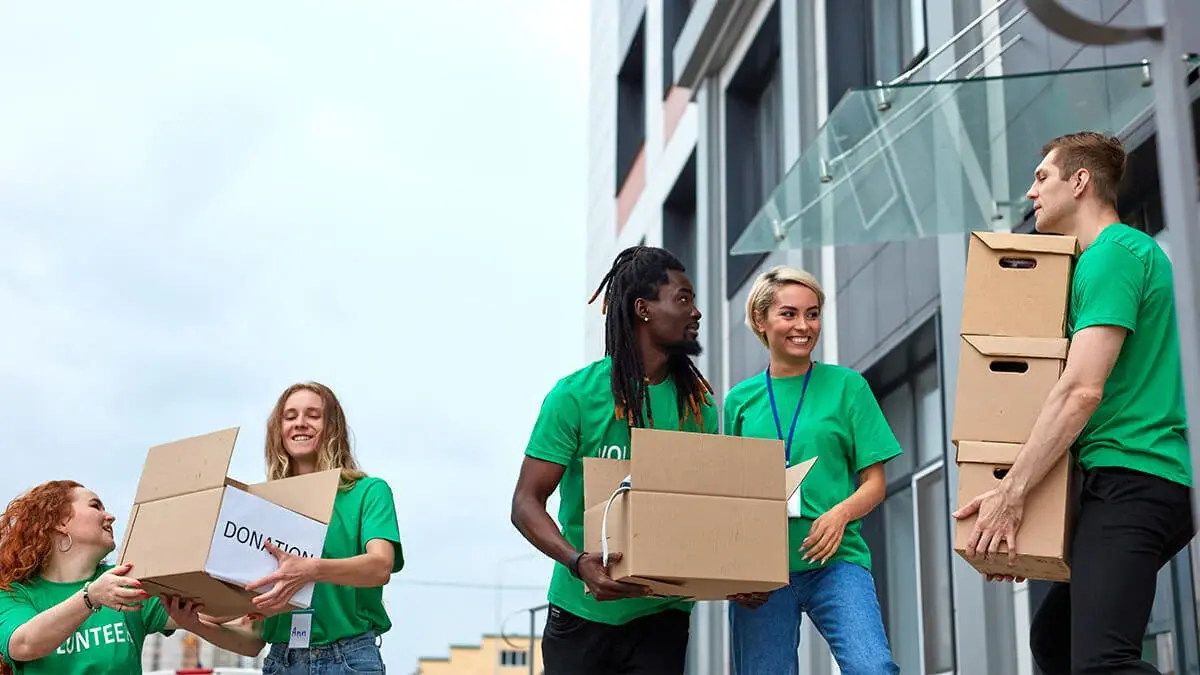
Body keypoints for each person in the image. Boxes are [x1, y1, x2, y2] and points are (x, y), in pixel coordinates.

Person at [954, 131, 1195, 673]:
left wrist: (1012, 493)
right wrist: (1029, 527)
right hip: (1116, 475)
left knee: (1102, 662)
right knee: (1055, 644)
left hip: (1139, 473)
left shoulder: (1115, 255)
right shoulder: (1093, 264)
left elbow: (1081, 390)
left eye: (1042, 178)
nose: (1031, 192)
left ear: (1080, 181)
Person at [510, 245, 718, 675]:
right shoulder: (575, 397)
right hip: (581, 613)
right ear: (643, 309)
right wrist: (576, 561)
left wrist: (738, 576)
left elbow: (708, 510)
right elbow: (526, 503)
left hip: (662, 615)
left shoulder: (698, 408)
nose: (696, 312)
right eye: (683, 299)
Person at [724, 265, 901, 675]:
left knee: (873, 668)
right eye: (789, 314)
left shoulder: (848, 386)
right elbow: (729, 496)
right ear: (760, 320)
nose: (803, 326)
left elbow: (874, 484)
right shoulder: (739, 402)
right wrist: (731, 572)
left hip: (836, 562)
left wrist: (840, 514)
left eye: (813, 313)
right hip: (762, 573)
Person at [214, 382, 404, 674]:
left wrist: (310, 570)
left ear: (333, 426)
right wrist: (192, 623)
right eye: (290, 416)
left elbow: (380, 566)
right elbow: (253, 639)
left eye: (312, 415)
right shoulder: (261, 507)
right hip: (282, 660)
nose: (300, 423)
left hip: (348, 660)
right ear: (279, 429)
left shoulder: (368, 492)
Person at [0, 480, 262, 674]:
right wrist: (90, 597)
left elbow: (209, 610)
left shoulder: (125, 581)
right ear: (60, 522)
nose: (110, 515)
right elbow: (23, 645)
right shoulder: (14, 593)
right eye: (95, 506)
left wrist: (258, 579)